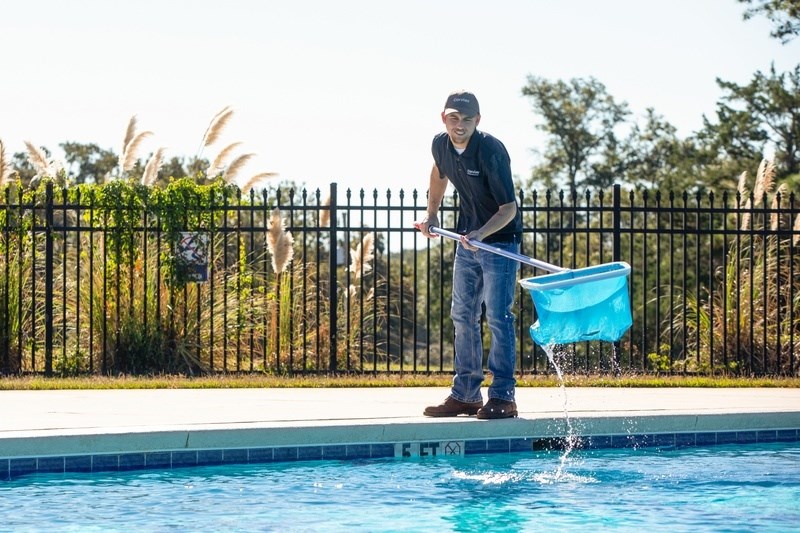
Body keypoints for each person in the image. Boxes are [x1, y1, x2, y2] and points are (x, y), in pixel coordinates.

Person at [417, 90, 523, 419]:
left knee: (498, 318)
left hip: (500, 243)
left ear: (478, 120)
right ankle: (465, 395)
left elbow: (509, 209)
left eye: (466, 119)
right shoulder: (441, 144)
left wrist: (482, 234)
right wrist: (432, 214)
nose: (459, 124)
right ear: (443, 117)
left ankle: (503, 397)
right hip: (468, 241)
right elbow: (439, 173)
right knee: (462, 316)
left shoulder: (491, 151)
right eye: (453, 117)